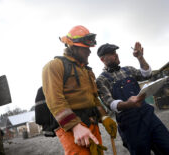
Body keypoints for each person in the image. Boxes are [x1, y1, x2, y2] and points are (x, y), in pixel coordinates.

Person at [42, 25, 117, 155]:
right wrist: (75, 126)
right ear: (73, 46)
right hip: (72, 128)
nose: (89, 52)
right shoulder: (54, 66)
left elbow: (94, 98)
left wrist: (104, 117)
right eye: (85, 48)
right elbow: (55, 100)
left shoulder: (87, 71)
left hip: (92, 124)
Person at [96, 42, 169, 155]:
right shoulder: (101, 80)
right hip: (130, 125)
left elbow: (147, 74)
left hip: (149, 116)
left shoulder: (128, 70)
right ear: (103, 59)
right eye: (112, 54)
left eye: (115, 52)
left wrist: (140, 58)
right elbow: (110, 103)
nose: (116, 55)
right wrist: (128, 104)